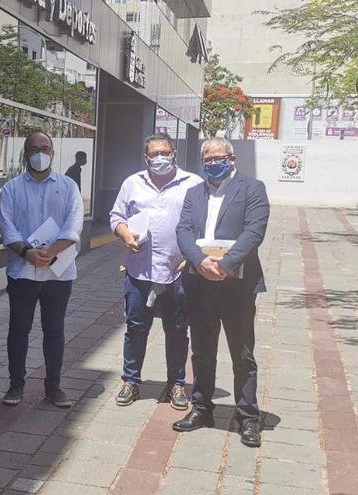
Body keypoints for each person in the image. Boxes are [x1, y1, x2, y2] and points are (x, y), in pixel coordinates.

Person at [173, 136, 269, 448]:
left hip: (237, 285)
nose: (213, 164)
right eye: (208, 160)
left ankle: (247, 416)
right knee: (201, 350)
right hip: (199, 282)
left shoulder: (252, 189)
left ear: (232, 158)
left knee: (241, 352)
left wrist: (225, 265)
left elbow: (254, 231)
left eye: (219, 158)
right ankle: (202, 408)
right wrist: (200, 262)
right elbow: (183, 230)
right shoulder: (193, 193)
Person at [109, 133, 202, 410]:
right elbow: (117, 216)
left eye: (165, 152)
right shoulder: (132, 183)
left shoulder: (193, 184)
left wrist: (193, 255)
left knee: (176, 330)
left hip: (178, 271)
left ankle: (176, 383)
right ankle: (131, 381)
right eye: (154, 154)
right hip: (140, 271)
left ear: (174, 153)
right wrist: (125, 235)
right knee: (136, 328)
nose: (160, 158)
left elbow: (204, 222)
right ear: (146, 157)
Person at [0, 131, 83, 408]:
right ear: (26, 153)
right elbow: (6, 226)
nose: (40, 153)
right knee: (19, 329)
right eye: (35, 148)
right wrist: (26, 252)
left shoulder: (69, 186)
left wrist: (52, 251)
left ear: (53, 153)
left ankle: (53, 387)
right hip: (22, 271)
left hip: (59, 273)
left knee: (54, 330)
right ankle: (15, 385)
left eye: (45, 148)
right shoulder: (11, 188)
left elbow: (74, 224)